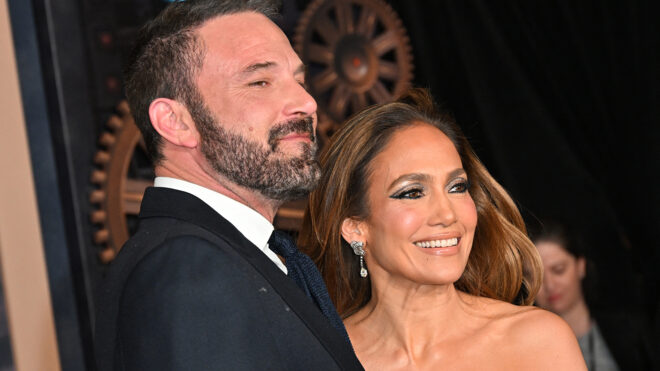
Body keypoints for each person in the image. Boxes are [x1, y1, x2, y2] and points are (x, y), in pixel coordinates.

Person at [93, 1, 362, 370]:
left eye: (299, 80)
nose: (307, 102)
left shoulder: (228, 253)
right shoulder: (186, 271)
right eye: (260, 82)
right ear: (175, 122)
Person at [299, 88, 586, 370]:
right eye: (412, 192)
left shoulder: (537, 342)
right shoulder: (323, 356)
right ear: (354, 228)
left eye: (457, 187)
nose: (448, 214)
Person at [532, 220, 656, 371]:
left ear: (581, 266)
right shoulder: (529, 353)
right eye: (536, 277)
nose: (550, 285)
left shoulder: (630, 329)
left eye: (559, 270)